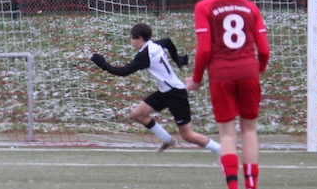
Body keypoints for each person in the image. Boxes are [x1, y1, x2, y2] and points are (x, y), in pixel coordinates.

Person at [186, 0, 270, 189]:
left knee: (227, 135)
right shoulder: (251, 8)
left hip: (221, 73)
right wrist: (258, 69)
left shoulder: (204, 7)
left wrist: (197, 79)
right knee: (249, 131)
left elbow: (204, 50)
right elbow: (264, 50)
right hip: (248, 71)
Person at [90, 22, 221, 156]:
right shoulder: (156, 44)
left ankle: (222, 151)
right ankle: (167, 139)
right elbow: (168, 42)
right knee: (136, 114)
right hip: (166, 92)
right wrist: (177, 59)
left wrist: (102, 64)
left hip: (175, 94)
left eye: (132, 38)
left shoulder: (144, 56)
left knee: (187, 135)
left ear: (140, 38)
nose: (131, 41)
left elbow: (123, 72)